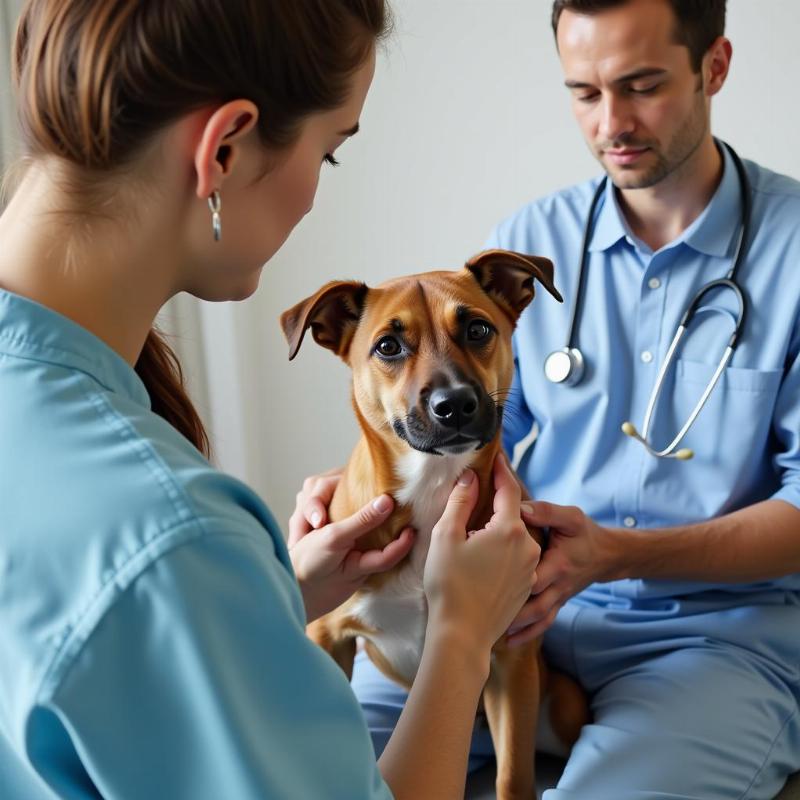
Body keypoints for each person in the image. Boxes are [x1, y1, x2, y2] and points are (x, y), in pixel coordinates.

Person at [0, 1, 542, 798]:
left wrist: (268, 598)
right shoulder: (176, 540)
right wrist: (462, 636)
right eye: (330, 153)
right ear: (223, 148)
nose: (316, 193)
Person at [296, 1, 800, 797]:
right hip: (514, 611)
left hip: (709, 637)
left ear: (715, 67)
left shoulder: (793, 249)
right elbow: (473, 421)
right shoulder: (539, 238)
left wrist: (613, 554)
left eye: (641, 86)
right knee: (319, 777)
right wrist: (357, 490)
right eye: (584, 93)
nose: (612, 123)